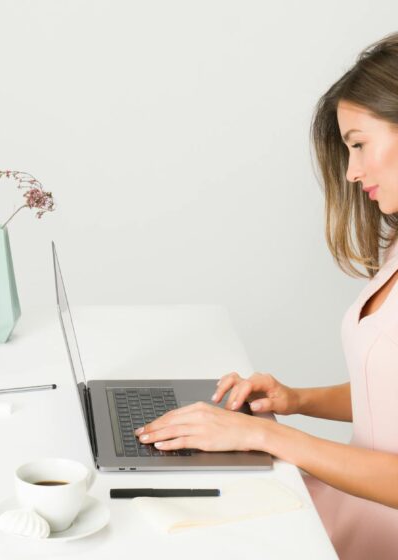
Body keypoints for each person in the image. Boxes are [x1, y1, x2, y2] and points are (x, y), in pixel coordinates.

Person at [134, 31, 398, 559]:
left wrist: (269, 438)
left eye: (359, 143)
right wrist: (294, 400)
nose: (351, 172)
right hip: (346, 506)